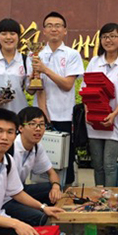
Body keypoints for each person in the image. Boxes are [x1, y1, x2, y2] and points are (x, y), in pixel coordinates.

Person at [0, 106, 63, 226]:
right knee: (38, 218)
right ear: (20, 128)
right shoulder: (5, 148)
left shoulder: (33, 148)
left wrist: (54, 190)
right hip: (1, 200)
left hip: (16, 191)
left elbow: (18, 191)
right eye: (32, 124)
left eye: (41, 124)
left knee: (52, 190)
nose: (38, 129)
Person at [33, 11, 85, 186]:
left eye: (57, 26)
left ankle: (65, 191)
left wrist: (45, 70)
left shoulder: (72, 55)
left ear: (64, 30)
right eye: (49, 26)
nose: (53, 29)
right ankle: (42, 192)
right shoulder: (37, 55)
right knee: (40, 158)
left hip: (64, 115)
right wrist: (43, 111)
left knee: (64, 159)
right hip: (41, 116)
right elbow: (36, 88)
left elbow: (68, 84)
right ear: (44, 31)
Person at [84, 23, 118, 187]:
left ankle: (110, 197)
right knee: (97, 164)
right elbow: (86, 89)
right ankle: (99, 196)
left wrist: (114, 114)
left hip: (116, 121)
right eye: (105, 37)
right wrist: (87, 113)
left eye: (113, 36)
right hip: (94, 122)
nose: (109, 40)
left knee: (109, 164)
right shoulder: (94, 62)